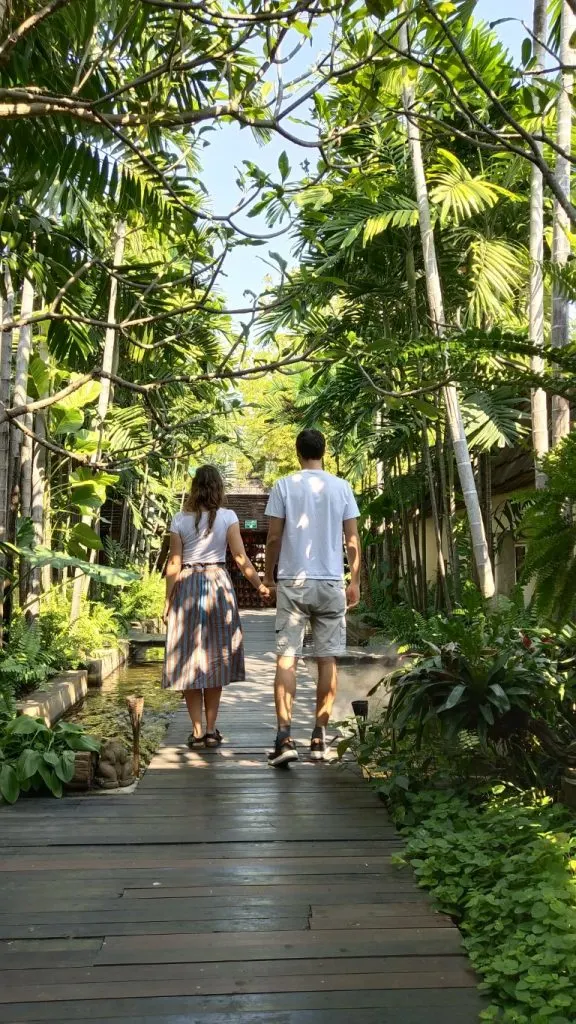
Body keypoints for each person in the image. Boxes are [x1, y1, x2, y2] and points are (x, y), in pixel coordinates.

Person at [263, 429, 361, 766]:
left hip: (293, 581)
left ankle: (284, 737)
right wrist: (355, 581)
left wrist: (268, 575)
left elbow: (273, 537)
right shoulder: (341, 487)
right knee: (327, 659)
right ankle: (319, 737)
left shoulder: (284, 485)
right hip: (332, 581)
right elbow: (352, 541)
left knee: (286, 658)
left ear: (297, 452)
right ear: (324, 451)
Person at [162, 465, 270, 748]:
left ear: (194, 487)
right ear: (219, 488)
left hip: (187, 586)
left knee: (188, 657)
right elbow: (240, 557)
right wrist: (259, 586)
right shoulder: (228, 517)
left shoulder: (179, 519)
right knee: (215, 657)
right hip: (217, 584)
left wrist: (167, 600)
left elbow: (174, 562)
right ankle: (211, 730)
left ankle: (197, 732)